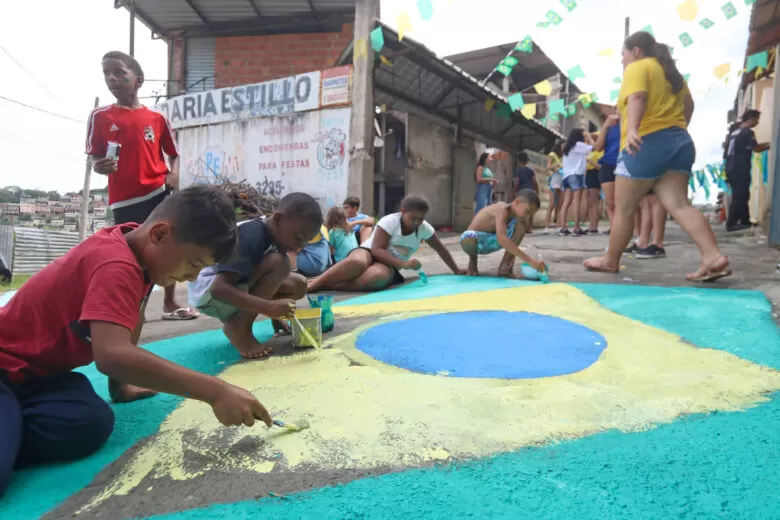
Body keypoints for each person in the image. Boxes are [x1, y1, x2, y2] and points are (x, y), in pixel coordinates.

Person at [0, 186, 276, 499]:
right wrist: (216, 392)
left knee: (91, 423)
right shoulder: (115, 263)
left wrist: (120, 386)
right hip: (4, 367)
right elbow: (112, 354)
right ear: (159, 234)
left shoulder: (138, 253)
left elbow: (130, 322)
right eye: (193, 263)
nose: (190, 277)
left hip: (38, 378)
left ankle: (10, 426)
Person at [584, 31, 730, 282]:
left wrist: (631, 130)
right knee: (680, 205)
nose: (622, 60)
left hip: (645, 142)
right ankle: (713, 257)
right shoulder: (672, 75)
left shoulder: (639, 67)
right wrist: (677, 128)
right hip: (679, 142)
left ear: (636, 51)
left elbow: (638, 97)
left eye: (623, 54)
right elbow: (690, 105)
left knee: (624, 209)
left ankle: (610, 260)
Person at [86, 52, 198, 324]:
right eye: (106, 73)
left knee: (169, 243)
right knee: (135, 253)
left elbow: (174, 153)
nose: (111, 78)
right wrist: (99, 166)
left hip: (159, 192)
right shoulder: (100, 117)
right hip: (124, 199)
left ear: (138, 80)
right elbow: (94, 155)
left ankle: (170, 302)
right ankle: (135, 307)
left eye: (119, 72)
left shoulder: (157, 118)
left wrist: (173, 175)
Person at [189, 193, 321, 359]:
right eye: (298, 237)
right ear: (278, 219)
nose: (299, 246)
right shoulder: (253, 233)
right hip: (209, 294)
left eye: (304, 242)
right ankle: (238, 329)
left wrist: (275, 317)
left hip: (225, 291)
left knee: (299, 284)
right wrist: (267, 307)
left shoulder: (274, 237)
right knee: (280, 263)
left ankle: (238, 319)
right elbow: (219, 289)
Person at [307, 195, 465, 292]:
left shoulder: (424, 229)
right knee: (356, 262)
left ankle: (330, 285)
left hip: (389, 265)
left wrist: (456, 269)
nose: (417, 222)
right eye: (413, 218)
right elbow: (376, 250)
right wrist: (404, 263)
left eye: (420, 219)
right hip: (369, 252)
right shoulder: (390, 221)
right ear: (403, 212)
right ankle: (316, 282)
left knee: (377, 277)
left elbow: (441, 249)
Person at [459, 189, 545, 277]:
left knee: (522, 225)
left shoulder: (516, 219)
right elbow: (502, 239)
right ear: (517, 202)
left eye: (531, 214)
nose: (528, 216)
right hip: (475, 240)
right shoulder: (502, 209)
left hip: (492, 240)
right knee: (468, 238)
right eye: (528, 211)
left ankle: (505, 268)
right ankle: (473, 262)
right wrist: (530, 261)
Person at [724, 109, 770, 232]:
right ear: (750, 119)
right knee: (740, 196)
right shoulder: (747, 133)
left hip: (731, 167)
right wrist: (769, 145)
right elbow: (756, 148)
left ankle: (745, 221)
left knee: (743, 194)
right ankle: (732, 224)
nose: (757, 122)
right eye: (757, 119)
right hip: (740, 168)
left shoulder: (735, 131)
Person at [558, 128, 594, 236]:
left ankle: (563, 228)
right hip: (576, 175)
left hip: (566, 176)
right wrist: (589, 138)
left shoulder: (567, 147)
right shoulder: (578, 145)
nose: (584, 136)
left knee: (566, 202)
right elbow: (595, 147)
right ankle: (576, 228)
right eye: (583, 134)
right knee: (577, 201)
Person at [594, 114, 621, 232]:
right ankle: (615, 231)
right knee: (611, 203)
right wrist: (605, 126)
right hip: (608, 165)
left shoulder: (633, 125)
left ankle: (631, 232)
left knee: (626, 203)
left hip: (626, 164)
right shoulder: (609, 129)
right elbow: (598, 147)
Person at [543, 140, 565, 234]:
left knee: (560, 204)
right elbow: (547, 167)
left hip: (563, 179)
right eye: (564, 145)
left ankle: (559, 225)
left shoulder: (565, 157)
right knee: (552, 204)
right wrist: (555, 166)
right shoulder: (552, 155)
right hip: (555, 179)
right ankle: (546, 226)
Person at [584, 145, 604, 233]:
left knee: (594, 202)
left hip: (594, 175)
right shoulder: (589, 152)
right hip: (588, 175)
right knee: (590, 203)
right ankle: (591, 225)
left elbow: (600, 167)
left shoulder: (599, 152)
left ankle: (594, 226)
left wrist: (590, 162)